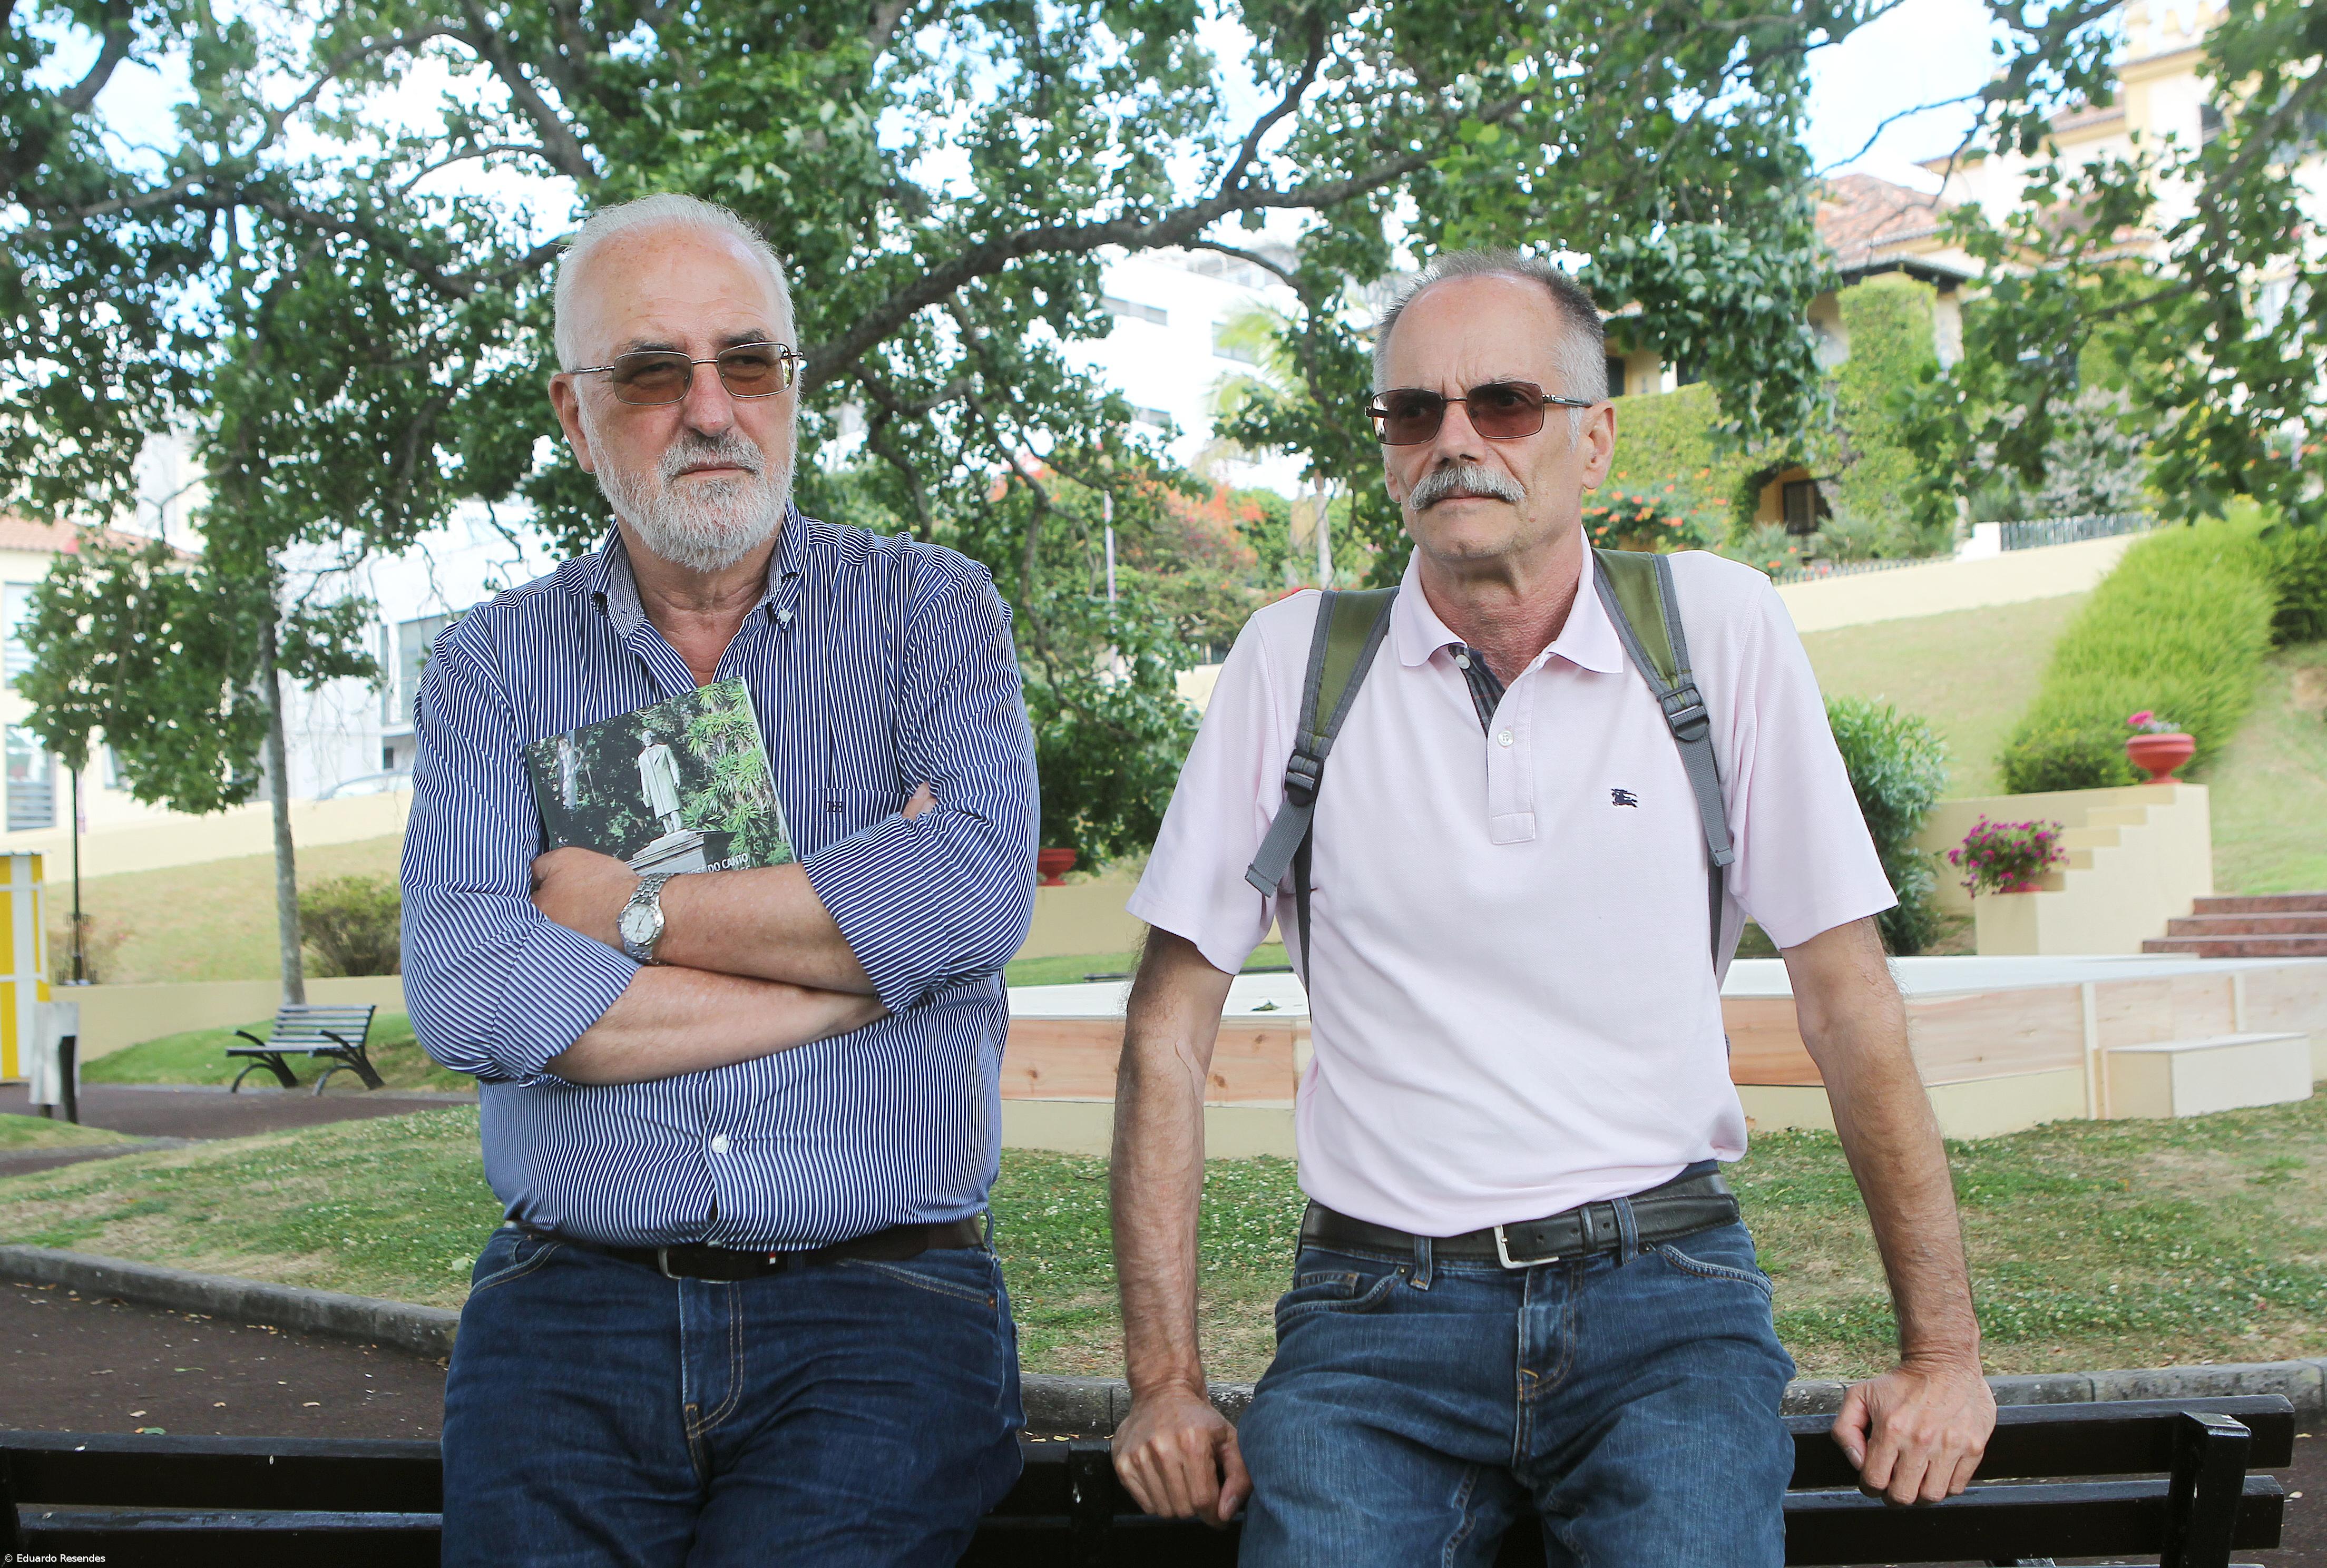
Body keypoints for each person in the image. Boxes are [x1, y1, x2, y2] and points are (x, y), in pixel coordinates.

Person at [1107, 249, 1995, 1566]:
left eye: (1505, 403)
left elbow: (1848, 1002)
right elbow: (1166, 1034)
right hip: (1376, 1313)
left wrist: (1944, 1354)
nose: (1455, 440)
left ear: (1595, 437)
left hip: (1666, 1301)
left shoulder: (1718, 634)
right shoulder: (1295, 665)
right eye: (1414, 413)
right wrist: (1165, 1381)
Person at [401, 192, 1039, 1567]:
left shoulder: (933, 612)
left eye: (748, 362)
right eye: (651, 373)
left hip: (884, 1312)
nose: (710, 407)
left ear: (793, 387)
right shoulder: (490, 665)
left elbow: (975, 894)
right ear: (576, 417)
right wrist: (869, 975)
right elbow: (472, 994)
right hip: (569, 1311)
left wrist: (630, 920)